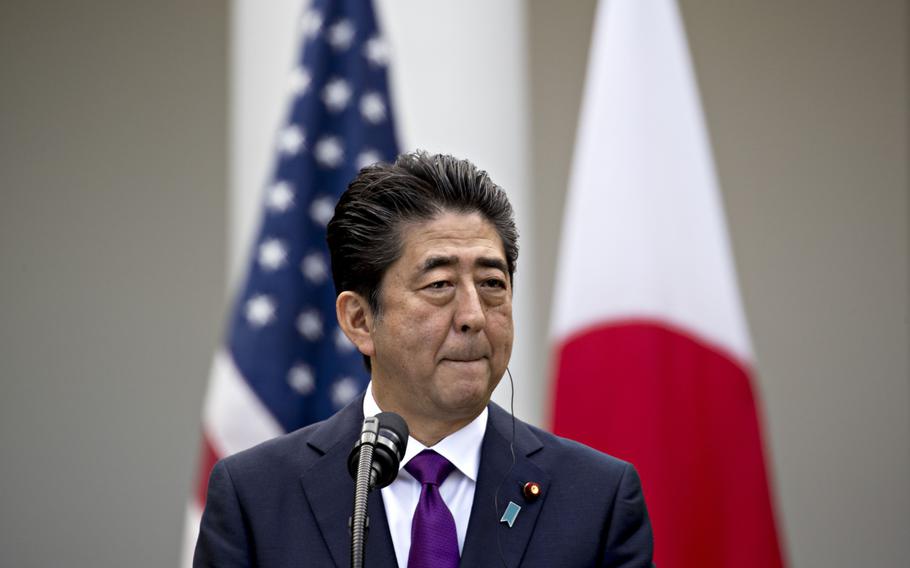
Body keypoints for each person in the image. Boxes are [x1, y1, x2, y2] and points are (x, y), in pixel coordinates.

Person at [194, 151, 654, 567]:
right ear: (359, 320)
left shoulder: (597, 500)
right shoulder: (255, 497)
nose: (474, 315)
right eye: (439, 286)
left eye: (492, 283)